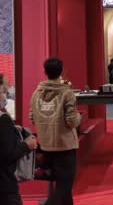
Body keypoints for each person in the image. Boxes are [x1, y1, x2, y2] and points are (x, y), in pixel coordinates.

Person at [29, 57, 81, 205]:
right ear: (61, 72)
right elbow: (72, 121)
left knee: (65, 193)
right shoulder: (66, 93)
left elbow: (32, 117)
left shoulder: (36, 93)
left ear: (45, 71)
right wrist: (78, 117)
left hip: (46, 145)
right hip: (65, 146)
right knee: (64, 188)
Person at [0, 107, 38, 205]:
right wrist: (27, 145)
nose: (4, 97)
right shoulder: (3, 119)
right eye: (2, 92)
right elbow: (8, 155)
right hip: (4, 185)